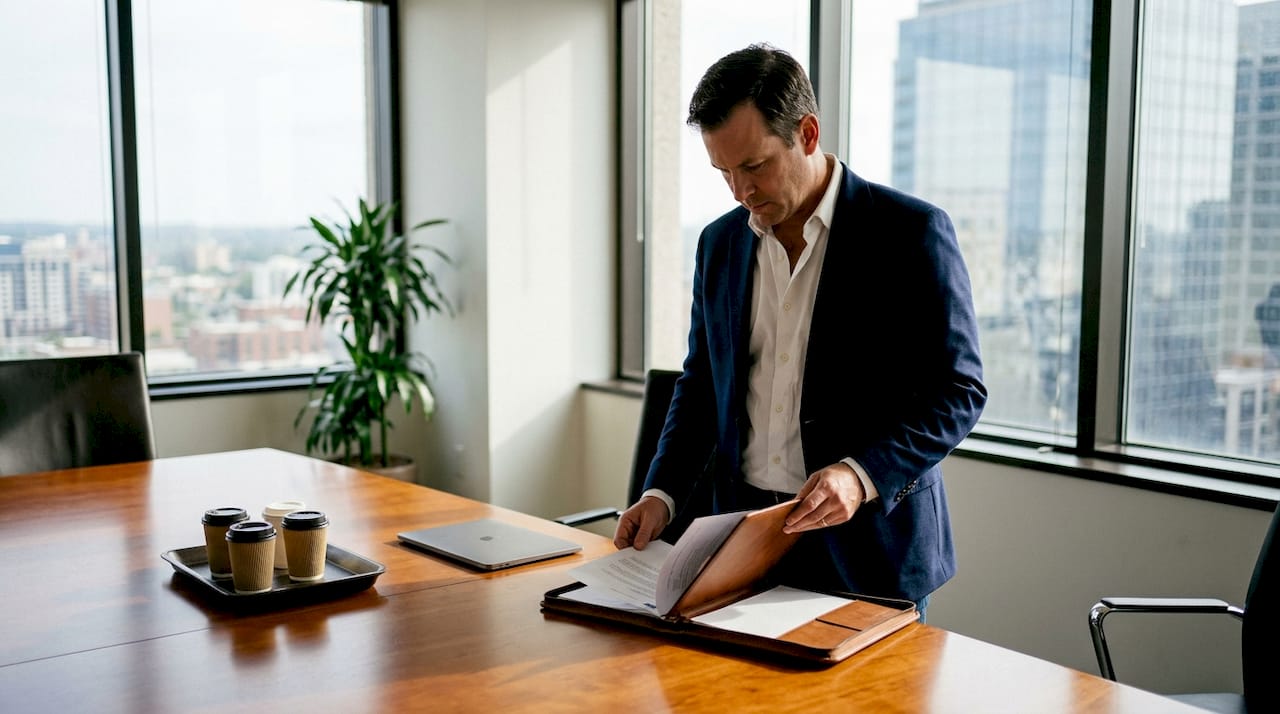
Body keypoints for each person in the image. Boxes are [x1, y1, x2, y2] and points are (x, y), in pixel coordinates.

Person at [613, 44, 987, 615]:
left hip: (869, 548)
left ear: (807, 133)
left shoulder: (910, 234)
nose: (741, 191)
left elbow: (958, 391)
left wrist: (859, 475)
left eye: (755, 166)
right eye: (724, 172)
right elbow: (701, 381)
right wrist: (661, 493)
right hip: (743, 545)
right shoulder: (719, 243)